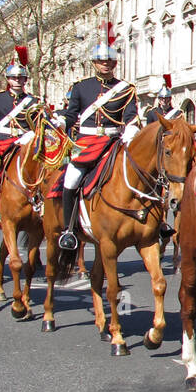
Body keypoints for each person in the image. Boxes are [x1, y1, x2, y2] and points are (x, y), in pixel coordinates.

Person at [58, 40, 140, 251]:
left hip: (114, 141)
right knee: (71, 178)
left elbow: (131, 115)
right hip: (86, 142)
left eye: (110, 61)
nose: (106, 65)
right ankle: (69, 229)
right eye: (102, 61)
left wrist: (131, 128)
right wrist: (60, 123)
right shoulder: (80, 87)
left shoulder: (125, 89)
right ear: (94, 63)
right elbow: (71, 114)